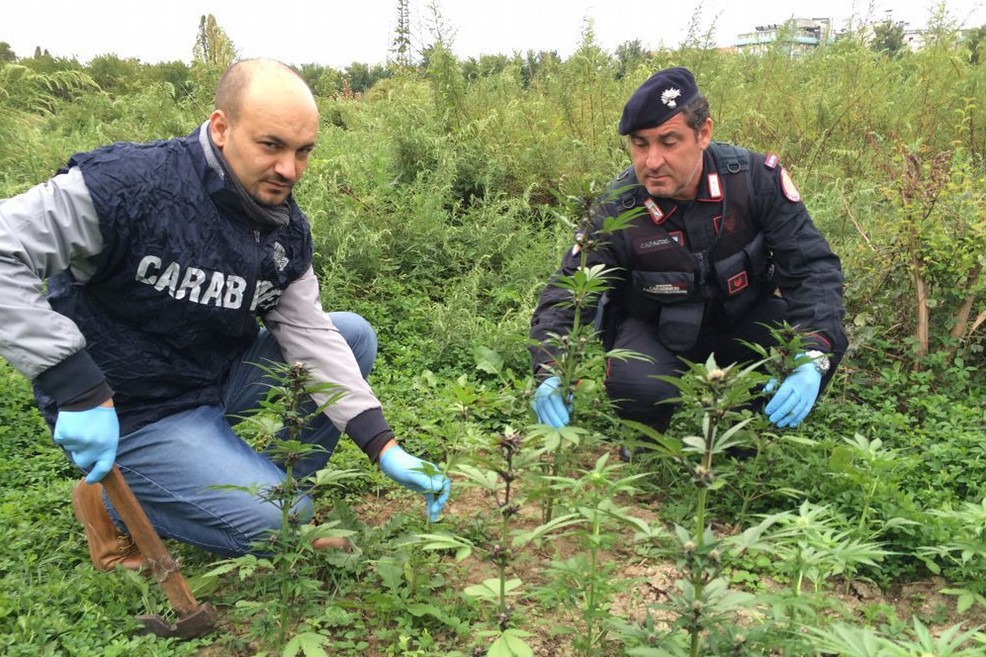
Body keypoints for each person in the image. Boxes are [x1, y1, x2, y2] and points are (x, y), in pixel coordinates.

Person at [0, 58, 450, 571]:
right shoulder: (127, 189)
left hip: (210, 381)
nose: (289, 169)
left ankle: (270, 497)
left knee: (349, 336)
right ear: (221, 128)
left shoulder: (283, 229)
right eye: (271, 145)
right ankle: (113, 501)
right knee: (279, 525)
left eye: (303, 151)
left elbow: (309, 334)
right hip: (129, 410)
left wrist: (383, 445)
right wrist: (75, 385)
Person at [529, 66, 846, 441]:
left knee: (822, 342)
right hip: (657, 328)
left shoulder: (755, 181)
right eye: (640, 144)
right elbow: (568, 290)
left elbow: (812, 269)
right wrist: (549, 369)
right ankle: (646, 440)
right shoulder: (618, 207)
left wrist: (811, 358)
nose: (652, 161)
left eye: (669, 141)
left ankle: (751, 435)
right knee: (637, 384)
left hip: (744, 316)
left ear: (703, 134)